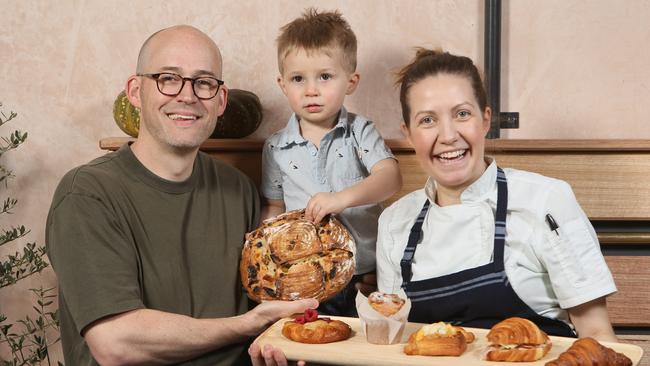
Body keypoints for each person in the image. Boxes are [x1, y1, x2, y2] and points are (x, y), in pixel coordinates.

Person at [45, 25, 316, 366]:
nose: (187, 96)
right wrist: (247, 325)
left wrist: (272, 346)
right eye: (168, 78)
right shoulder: (87, 194)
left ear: (220, 101)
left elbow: (265, 315)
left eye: (204, 82)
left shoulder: (238, 189)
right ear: (134, 91)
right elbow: (116, 343)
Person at [375, 48, 618, 341]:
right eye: (428, 120)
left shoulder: (545, 200)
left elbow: (596, 333)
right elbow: (390, 341)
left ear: (485, 120)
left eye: (462, 114)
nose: (449, 135)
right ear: (409, 134)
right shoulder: (394, 222)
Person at [260, 8, 402, 317]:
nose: (311, 90)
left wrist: (341, 199)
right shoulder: (275, 147)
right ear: (283, 84)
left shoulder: (359, 132)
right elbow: (273, 207)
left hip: (363, 279)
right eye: (298, 79)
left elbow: (390, 177)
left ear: (351, 81)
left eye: (325, 76)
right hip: (305, 280)